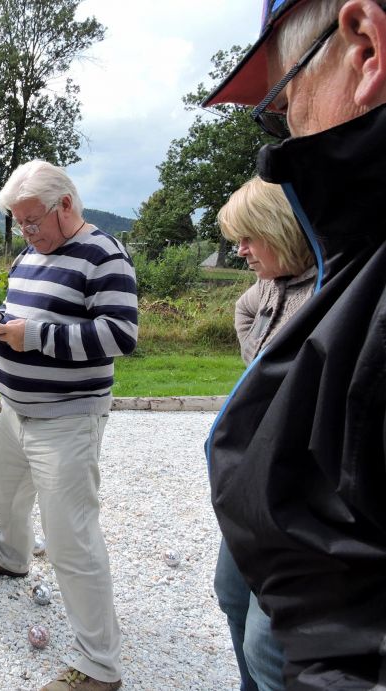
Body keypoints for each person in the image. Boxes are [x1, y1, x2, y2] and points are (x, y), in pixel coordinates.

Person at [202, 0, 386, 686]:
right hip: (278, 535)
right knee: (240, 617)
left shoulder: (353, 284)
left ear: (364, 47)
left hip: (311, 577)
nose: (285, 139)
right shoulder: (314, 284)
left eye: (283, 100)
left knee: (266, 650)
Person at [0, 160, 138, 691]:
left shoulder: (105, 255)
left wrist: (31, 336)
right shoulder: (30, 252)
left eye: (32, 220)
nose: (25, 232)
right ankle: (12, 556)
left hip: (66, 419)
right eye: (17, 222)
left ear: (66, 205)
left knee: (71, 542)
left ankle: (100, 667)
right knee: (3, 490)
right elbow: (22, 314)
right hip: (16, 410)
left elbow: (119, 336)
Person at [214, 177, 317, 691]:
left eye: (249, 237)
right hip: (250, 485)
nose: (240, 251)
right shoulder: (273, 283)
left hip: (295, 497)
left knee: (269, 643)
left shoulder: (328, 288)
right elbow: (245, 308)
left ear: (282, 228)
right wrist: (257, 361)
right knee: (231, 596)